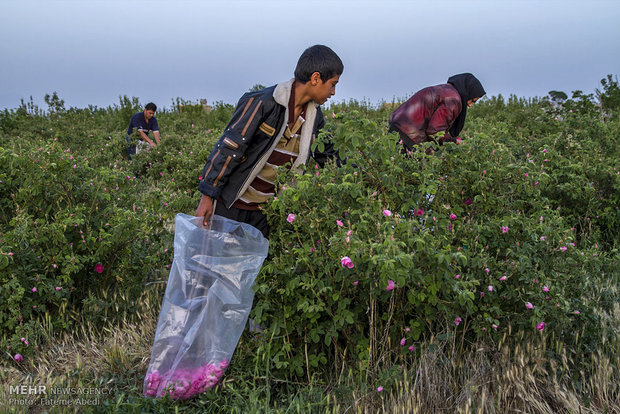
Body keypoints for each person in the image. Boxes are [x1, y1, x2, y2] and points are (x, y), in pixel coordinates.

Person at [195, 45, 344, 238]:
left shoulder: (314, 117)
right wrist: (207, 195)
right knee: (217, 262)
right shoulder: (263, 102)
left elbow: (328, 154)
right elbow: (229, 147)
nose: (333, 92)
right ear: (316, 78)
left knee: (250, 265)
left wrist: (361, 177)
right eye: (333, 84)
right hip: (232, 204)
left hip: (264, 213)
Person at [388, 73, 485, 151]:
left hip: (396, 123)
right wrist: (454, 142)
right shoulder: (453, 100)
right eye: (472, 100)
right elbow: (435, 132)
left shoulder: (445, 89)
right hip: (410, 130)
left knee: (397, 163)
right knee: (429, 164)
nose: (470, 105)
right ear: (467, 93)